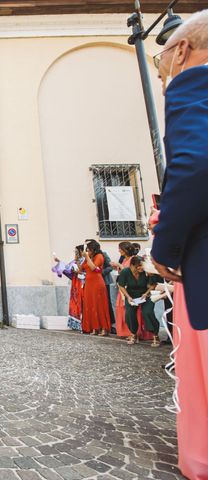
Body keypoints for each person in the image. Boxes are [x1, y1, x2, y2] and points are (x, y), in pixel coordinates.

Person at [150, 11, 208, 478]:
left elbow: (194, 165)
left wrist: (164, 247)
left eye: (162, 59)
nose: (162, 70)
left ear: (183, 50)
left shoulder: (193, 84)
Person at [116, 256, 160, 346]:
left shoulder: (146, 272)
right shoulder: (125, 272)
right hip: (131, 296)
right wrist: (127, 297)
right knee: (129, 313)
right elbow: (121, 285)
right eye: (138, 266)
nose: (141, 268)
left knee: (147, 312)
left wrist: (146, 293)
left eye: (142, 265)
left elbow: (153, 285)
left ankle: (155, 335)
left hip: (146, 295)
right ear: (132, 265)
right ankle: (133, 334)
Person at [81, 240, 111, 336]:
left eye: (89, 250)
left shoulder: (99, 256)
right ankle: (94, 327)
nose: (88, 252)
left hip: (97, 283)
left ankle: (104, 328)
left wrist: (87, 258)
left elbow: (94, 268)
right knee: (90, 305)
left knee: (99, 305)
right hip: (89, 283)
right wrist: (78, 258)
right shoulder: (88, 257)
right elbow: (81, 269)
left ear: (94, 250)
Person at [53, 245, 85, 332]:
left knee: (80, 302)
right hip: (75, 283)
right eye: (75, 252)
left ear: (82, 251)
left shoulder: (84, 260)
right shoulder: (75, 260)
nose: (76, 253)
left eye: (77, 252)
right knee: (74, 302)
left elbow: (83, 271)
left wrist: (77, 270)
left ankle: (82, 324)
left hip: (81, 283)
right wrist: (59, 261)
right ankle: (75, 324)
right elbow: (67, 268)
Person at [113, 242, 135, 338]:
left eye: (120, 249)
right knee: (121, 308)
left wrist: (119, 265)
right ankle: (124, 331)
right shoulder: (124, 259)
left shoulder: (132, 259)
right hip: (122, 286)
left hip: (129, 288)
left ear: (125, 250)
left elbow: (131, 272)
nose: (119, 251)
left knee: (128, 310)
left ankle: (132, 332)